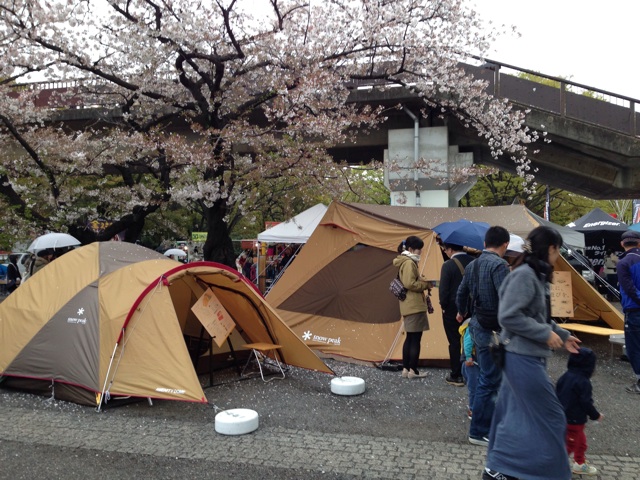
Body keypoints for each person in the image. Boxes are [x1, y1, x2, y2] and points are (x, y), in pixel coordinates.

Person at [483, 225, 581, 480]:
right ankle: (549, 473)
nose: (558, 257)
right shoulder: (525, 275)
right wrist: (544, 334)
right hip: (520, 358)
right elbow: (508, 316)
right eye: (558, 251)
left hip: (524, 356)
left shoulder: (532, 274)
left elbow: (536, 317)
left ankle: (499, 467)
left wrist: (563, 335)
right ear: (551, 248)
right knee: (552, 417)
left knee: (511, 414)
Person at [455, 225, 511, 446]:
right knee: (489, 379)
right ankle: (479, 431)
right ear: (504, 244)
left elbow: (461, 292)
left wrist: (461, 312)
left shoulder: (473, 264)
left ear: (486, 243)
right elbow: (506, 298)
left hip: (478, 325)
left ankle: (486, 425)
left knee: (488, 377)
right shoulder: (500, 266)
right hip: (494, 329)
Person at [556, 347, 603, 476]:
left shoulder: (565, 376)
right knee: (569, 445)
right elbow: (586, 402)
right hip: (574, 419)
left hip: (563, 416)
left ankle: (580, 463)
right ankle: (553, 468)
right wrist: (596, 415)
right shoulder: (583, 382)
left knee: (580, 441)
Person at [392, 235, 431, 379]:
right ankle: (413, 370)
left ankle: (406, 369)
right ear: (410, 249)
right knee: (415, 339)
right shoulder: (409, 263)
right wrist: (426, 284)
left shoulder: (404, 261)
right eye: (418, 249)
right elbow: (410, 284)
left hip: (408, 305)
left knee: (410, 338)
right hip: (414, 305)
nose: (420, 252)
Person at [439, 243, 474, 386]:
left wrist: (444, 306)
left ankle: (456, 374)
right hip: (472, 307)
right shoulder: (474, 262)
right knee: (470, 338)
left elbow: (444, 291)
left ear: (450, 249)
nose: (445, 252)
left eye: (445, 249)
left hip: (453, 308)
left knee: (454, 341)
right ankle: (471, 372)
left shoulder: (448, 265)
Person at [616, 230, 640, 394]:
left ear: (622, 244)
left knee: (635, 346)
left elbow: (629, 288)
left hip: (634, 308)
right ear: (639, 243)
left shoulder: (623, 262)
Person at [459, 318, 478, 420]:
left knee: (475, 385)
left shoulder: (472, 322)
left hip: (472, 361)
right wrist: (468, 357)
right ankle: (473, 409)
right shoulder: (473, 325)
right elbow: (468, 342)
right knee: (473, 386)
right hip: (471, 362)